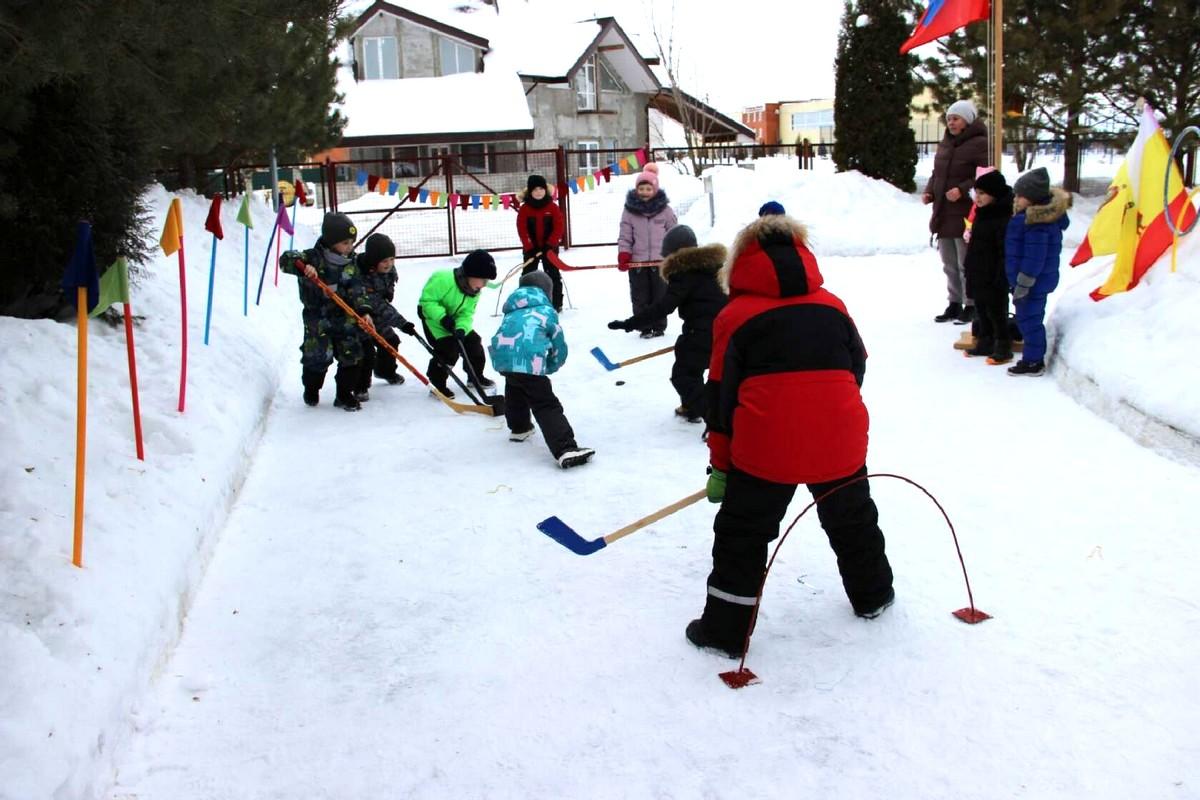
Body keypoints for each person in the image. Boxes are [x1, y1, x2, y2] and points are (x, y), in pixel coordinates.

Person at [686, 212, 895, 659]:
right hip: (840, 438)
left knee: (742, 534)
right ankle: (874, 595)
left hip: (765, 448)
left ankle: (724, 632)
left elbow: (720, 401)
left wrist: (721, 465)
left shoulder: (734, 315)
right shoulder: (833, 305)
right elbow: (857, 365)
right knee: (852, 519)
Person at [607, 225, 727, 423]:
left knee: (683, 375)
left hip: (701, 333)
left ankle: (714, 419)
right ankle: (691, 407)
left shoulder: (684, 273)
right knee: (699, 367)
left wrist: (630, 323)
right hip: (725, 330)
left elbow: (663, 307)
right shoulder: (716, 268)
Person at [489, 271, 594, 469]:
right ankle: (565, 448)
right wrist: (554, 364)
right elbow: (558, 342)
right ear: (547, 292)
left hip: (502, 358)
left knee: (515, 388)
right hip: (528, 362)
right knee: (545, 404)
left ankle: (520, 428)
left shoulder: (511, 310)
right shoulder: (546, 311)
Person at [279, 212, 375, 412]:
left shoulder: (351, 262)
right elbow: (286, 259)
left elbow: (358, 289)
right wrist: (303, 267)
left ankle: (344, 394)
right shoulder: (313, 257)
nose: (350, 247)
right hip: (318, 318)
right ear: (331, 242)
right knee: (318, 357)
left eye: (352, 242)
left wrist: (364, 310)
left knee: (352, 355)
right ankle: (311, 389)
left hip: (345, 316)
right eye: (345, 243)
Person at [923, 99, 989, 325]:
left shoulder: (980, 144)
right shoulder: (946, 144)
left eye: (956, 118)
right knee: (948, 262)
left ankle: (971, 303)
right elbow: (937, 173)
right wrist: (930, 191)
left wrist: (962, 190)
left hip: (965, 212)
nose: (951, 123)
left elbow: (984, 176)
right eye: (949, 119)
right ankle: (954, 302)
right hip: (942, 211)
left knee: (965, 263)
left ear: (967, 121)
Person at [1005, 167, 1072, 377]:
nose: (1016, 199)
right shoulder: (1030, 218)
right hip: (1029, 282)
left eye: (1020, 196)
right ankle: (1032, 357)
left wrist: (1023, 283)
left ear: (1032, 199)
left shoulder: (1037, 223)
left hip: (1032, 283)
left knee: (1029, 320)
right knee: (1028, 318)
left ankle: (1033, 361)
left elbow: (1035, 258)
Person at [416, 250, 497, 398]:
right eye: (483, 279)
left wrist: (461, 328)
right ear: (471, 274)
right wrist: (442, 317)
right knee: (448, 350)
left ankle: (475, 376)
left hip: (454, 321)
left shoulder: (474, 292)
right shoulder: (443, 279)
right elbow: (427, 302)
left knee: (474, 343)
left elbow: (466, 314)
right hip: (434, 320)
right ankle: (437, 384)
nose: (485, 284)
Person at [617, 162, 677, 338]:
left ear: (655, 190)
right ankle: (644, 326)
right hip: (637, 261)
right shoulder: (629, 211)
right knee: (640, 296)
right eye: (641, 189)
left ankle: (659, 326)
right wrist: (624, 254)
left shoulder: (665, 210)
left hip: (660, 262)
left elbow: (674, 232)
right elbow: (625, 235)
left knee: (660, 296)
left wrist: (674, 254)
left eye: (648, 189)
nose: (644, 192)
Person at [356, 233, 418, 400]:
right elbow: (377, 304)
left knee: (391, 340)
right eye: (384, 261)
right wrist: (402, 323)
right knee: (365, 351)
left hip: (375, 314)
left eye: (392, 259)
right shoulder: (361, 275)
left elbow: (384, 297)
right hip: (358, 316)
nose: (389, 264)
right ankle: (360, 386)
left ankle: (385, 371)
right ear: (373, 261)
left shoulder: (389, 270)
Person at [962, 170, 1015, 363]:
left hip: (994, 274)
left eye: (983, 193)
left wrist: (1001, 275)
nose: (978, 197)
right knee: (981, 309)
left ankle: (1002, 344)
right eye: (976, 193)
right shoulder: (982, 214)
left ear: (995, 194)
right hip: (978, 271)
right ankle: (985, 340)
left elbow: (1003, 251)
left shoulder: (1003, 217)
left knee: (996, 311)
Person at [516, 174, 566, 311]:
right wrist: (529, 247)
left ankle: (556, 303)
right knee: (527, 275)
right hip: (531, 250)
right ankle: (523, 302)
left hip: (549, 249)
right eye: (535, 189)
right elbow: (522, 229)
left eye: (541, 189)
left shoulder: (552, 207)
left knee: (553, 274)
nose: (538, 192)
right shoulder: (525, 209)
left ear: (546, 190)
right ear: (530, 192)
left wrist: (550, 244)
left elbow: (559, 227)